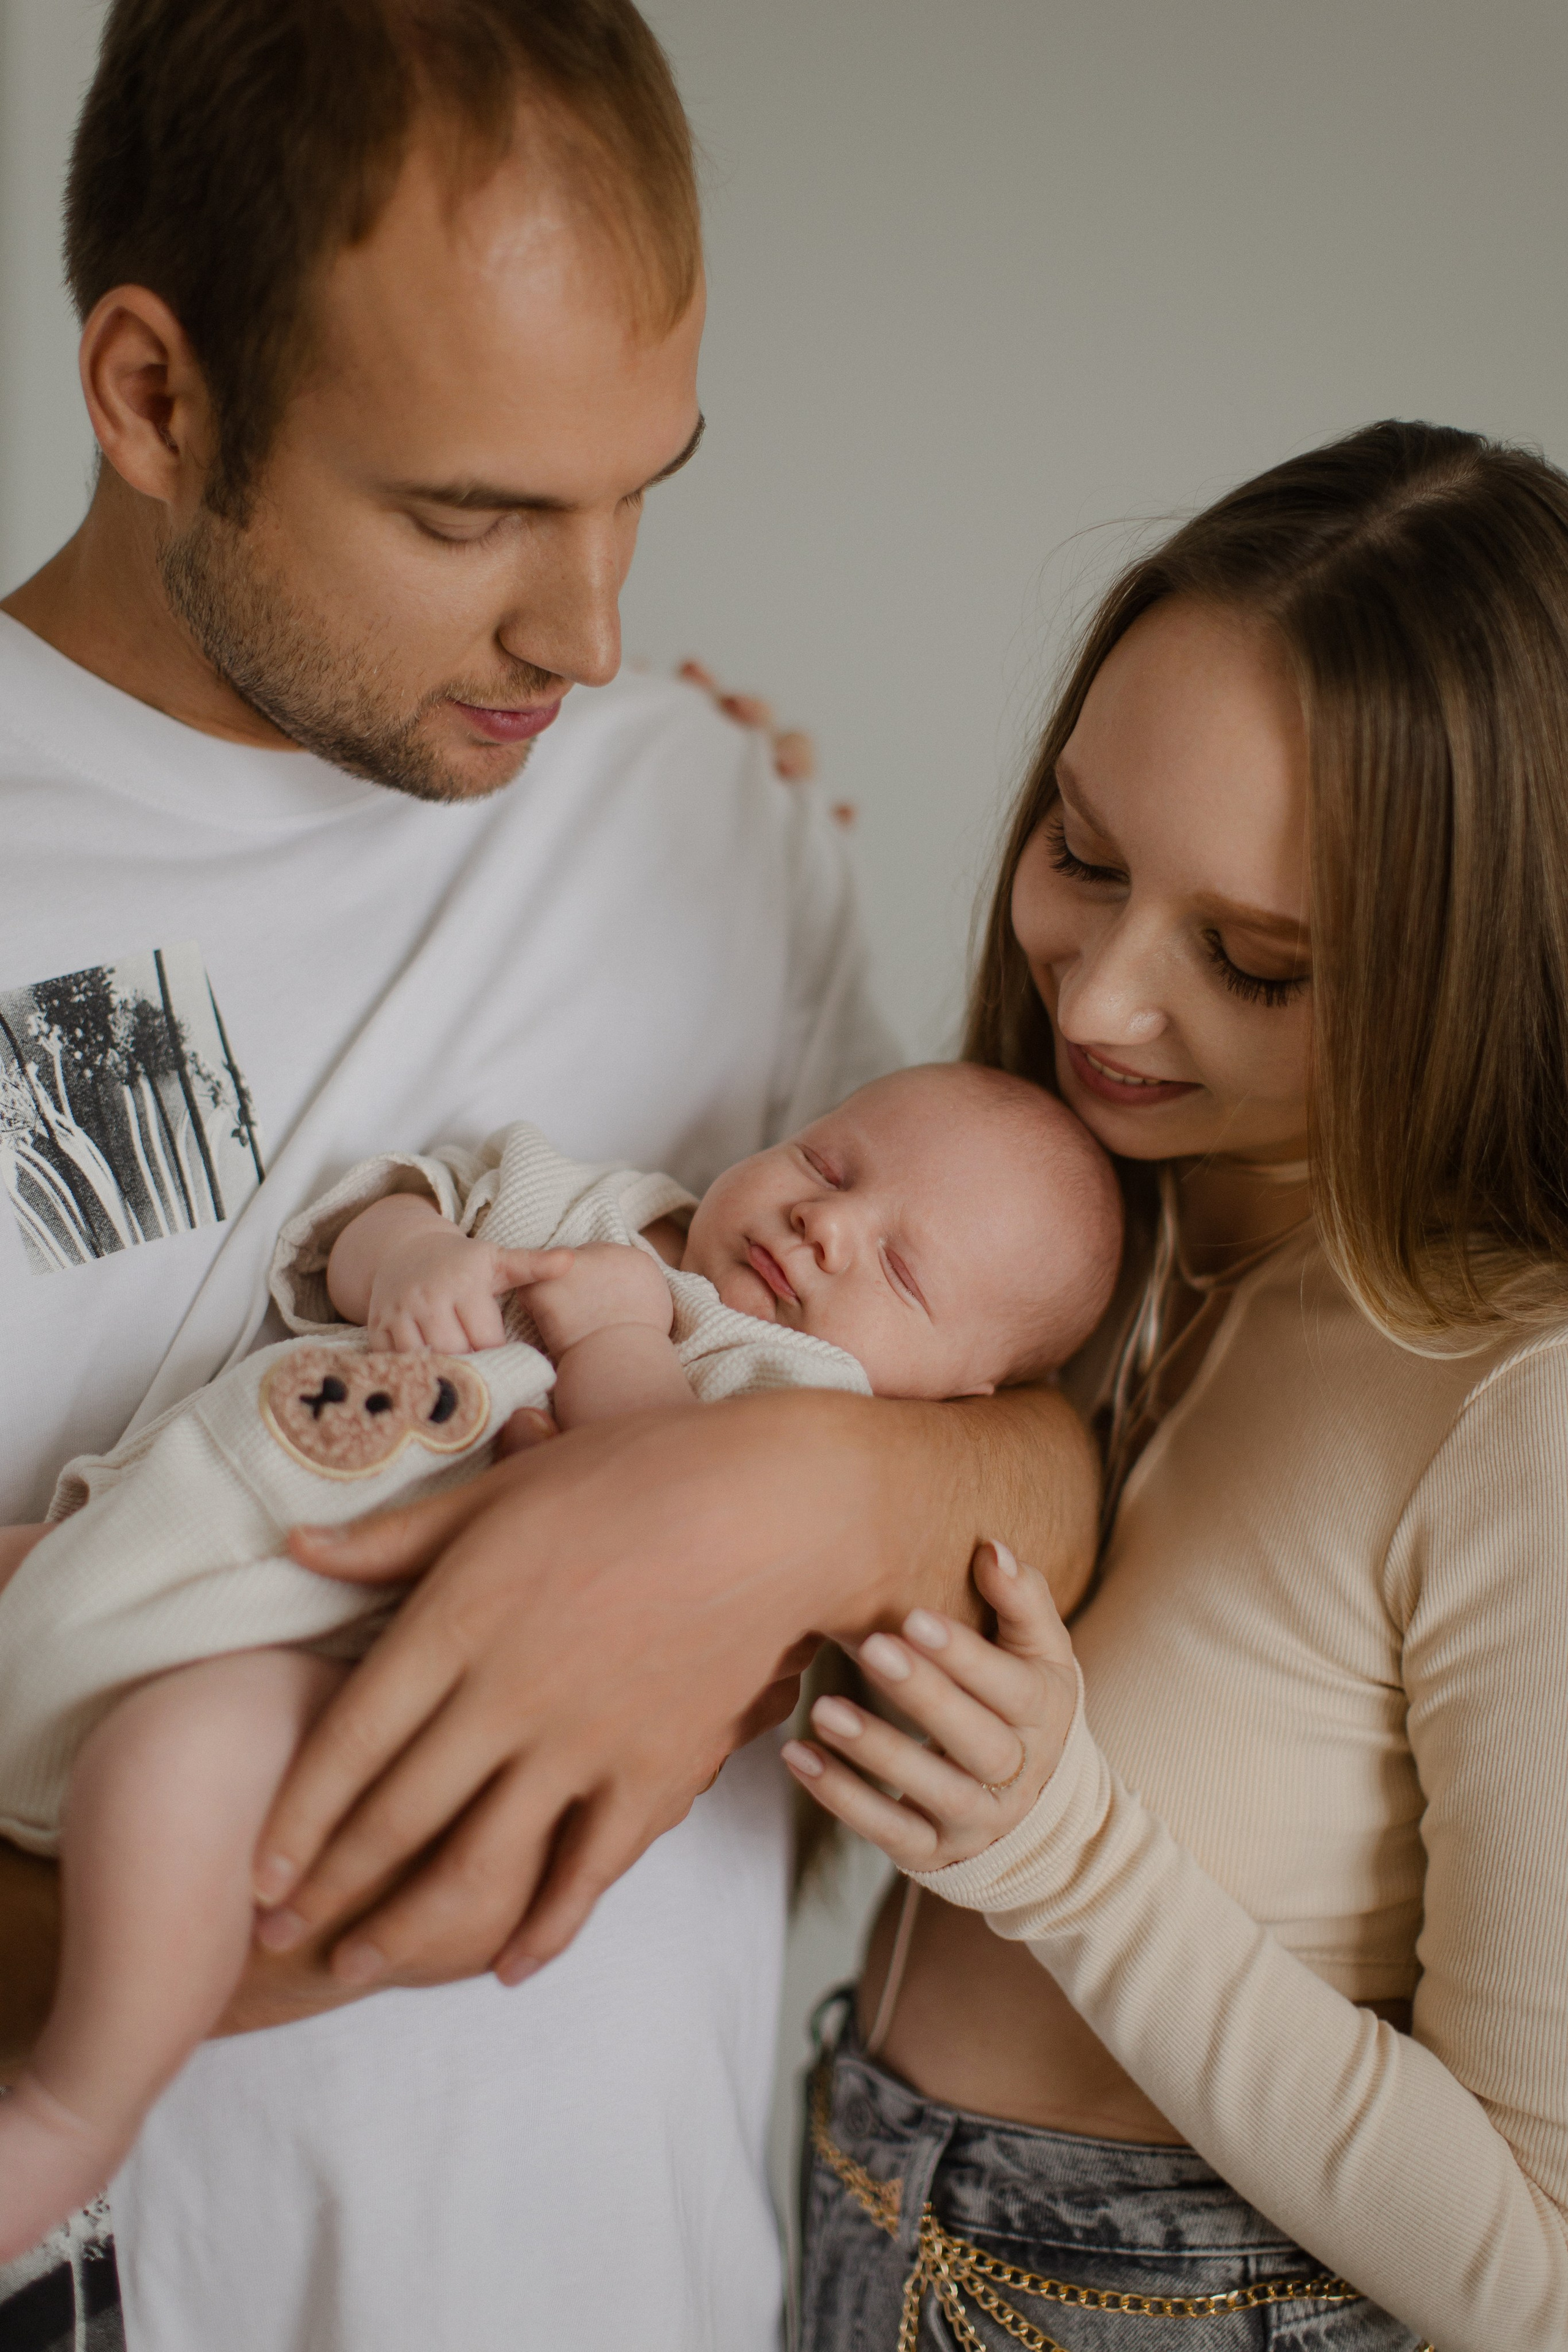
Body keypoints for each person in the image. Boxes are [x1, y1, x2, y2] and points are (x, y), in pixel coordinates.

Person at [0, 4, 1097, 2345]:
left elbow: (1049, 1442)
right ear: (153, 394)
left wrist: (759, 1525)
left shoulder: (698, 808)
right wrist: (320, 1856)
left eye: (642, 490)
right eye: (472, 514)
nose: (585, 635)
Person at [788, 421, 1568, 2352]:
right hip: (834, 2226)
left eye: (1254, 960)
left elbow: (1539, 2279)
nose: (1103, 1002)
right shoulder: (1054, 1252)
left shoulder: (1514, 1410)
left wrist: (1070, 1854)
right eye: (1083, 853)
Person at [0, 1066, 1121, 2261]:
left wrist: (620, 1335)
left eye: (899, 1270)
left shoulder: (796, 1399)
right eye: (825, 1164)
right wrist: (412, 1254)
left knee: (173, 1762)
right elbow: (364, 1212)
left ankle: (77, 2100)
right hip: (140, 1527)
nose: (823, 1224)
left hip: (281, 1645)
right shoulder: (594, 1207)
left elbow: (660, 1499)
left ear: (962, 1392)